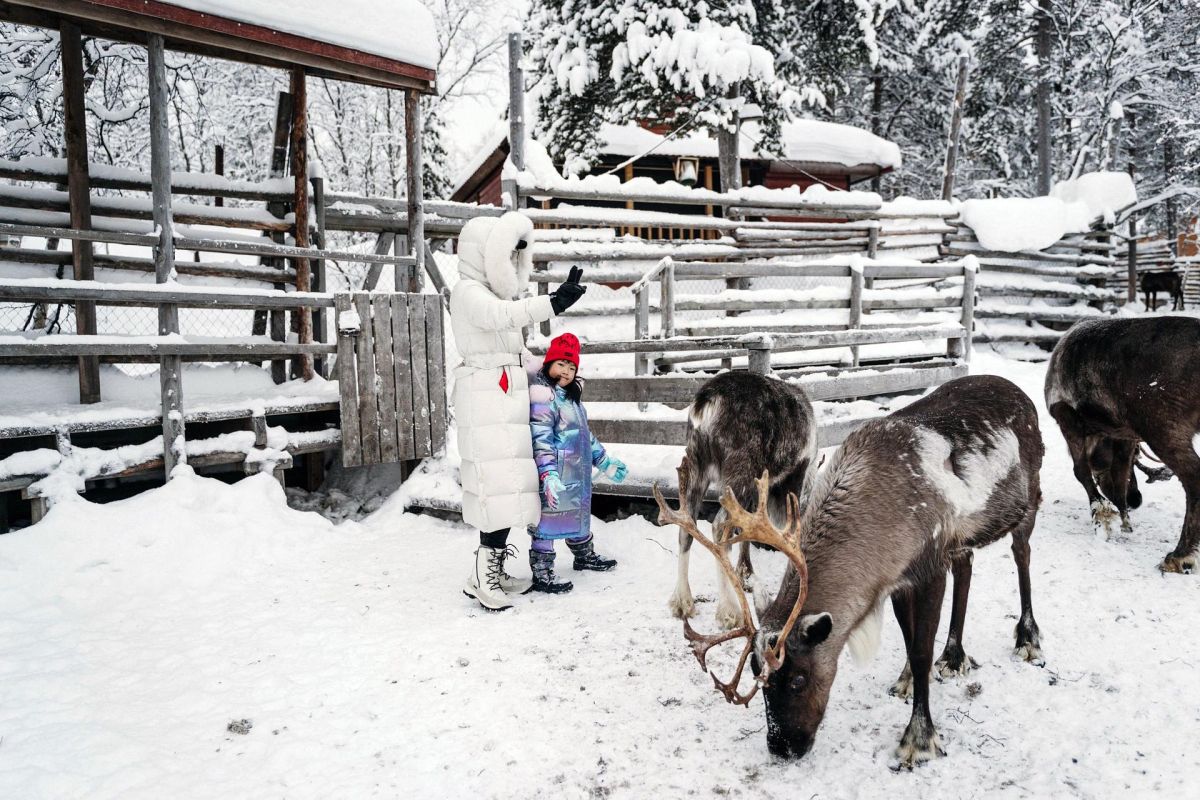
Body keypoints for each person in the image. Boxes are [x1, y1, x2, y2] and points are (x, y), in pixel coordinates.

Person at [451, 211, 587, 611]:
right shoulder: (468, 291)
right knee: (496, 488)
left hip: (504, 398)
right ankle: (483, 576)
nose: (509, 265)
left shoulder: (493, 297)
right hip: (486, 398)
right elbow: (501, 317)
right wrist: (552, 303)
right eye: (504, 256)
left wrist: (547, 374)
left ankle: (488, 571)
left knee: (507, 490)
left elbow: (515, 350)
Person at [527, 332, 628, 593]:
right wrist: (548, 474)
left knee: (579, 515)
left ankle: (584, 556)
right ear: (548, 364)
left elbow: (586, 437)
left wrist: (605, 461)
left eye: (572, 367)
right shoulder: (543, 399)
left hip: (577, 473)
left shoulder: (572, 400)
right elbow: (541, 440)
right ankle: (542, 572)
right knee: (547, 522)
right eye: (561, 363)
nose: (567, 371)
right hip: (555, 476)